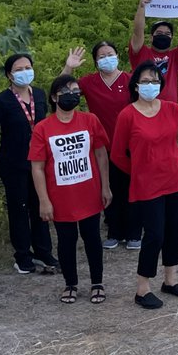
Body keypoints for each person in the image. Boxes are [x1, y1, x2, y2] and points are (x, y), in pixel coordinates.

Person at [110, 64, 178, 309]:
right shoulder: (127, 115)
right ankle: (142, 289)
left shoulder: (171, 109)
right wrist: (140, 171)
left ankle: (170, 280)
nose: (150, 85)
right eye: (145, 81)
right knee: (154, 234)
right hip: (147, 185)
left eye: (155, 81)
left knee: (175, 231)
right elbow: (117, 155)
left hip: (175, 179)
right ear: (135, 85)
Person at [29, 75, 112, 304]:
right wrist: (44, 200)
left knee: (92, 238)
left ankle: (97, 283)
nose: (72, 95)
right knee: (66, 242)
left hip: (89, 192)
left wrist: (105, 186)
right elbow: (37, 167)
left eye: (76, 91)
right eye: (66, 91)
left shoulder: (90, 120)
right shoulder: (43, 128)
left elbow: (101, 154)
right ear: (55, 97)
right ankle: (70, 284)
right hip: (60, 197)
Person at [62, 42, 140, 250]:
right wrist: (69, 67)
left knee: (132, 187)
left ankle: (134, 232)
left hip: (131, 143)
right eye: (102, 56)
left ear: (117, 55)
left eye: (110, 54)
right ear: (96, 61)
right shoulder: (89, 82)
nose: (107, 58)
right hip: (103, 145)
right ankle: (114, 231)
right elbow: (63, 90)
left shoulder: (130, 79)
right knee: (108, 186)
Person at [0, 53, 57, 275]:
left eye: (28, 67)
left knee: (40, 207)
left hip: (39, 162)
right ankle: (22, 255)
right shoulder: (1, 101)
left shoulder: (39, 94)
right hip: (13, 162)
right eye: (19, 69)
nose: (25, 72)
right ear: (9, 74)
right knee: (19, 209)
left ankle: (44, 252)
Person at [129, 0, 178, 106]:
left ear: (171, 38)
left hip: (169, 109)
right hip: (142, 108)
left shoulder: (176, 56)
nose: (163, 35)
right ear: (151, 37)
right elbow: (137, 32)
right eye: (159, 33)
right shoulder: (140, 52)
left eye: (167, 33)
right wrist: (141, 8)